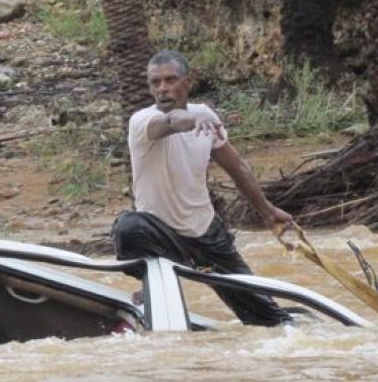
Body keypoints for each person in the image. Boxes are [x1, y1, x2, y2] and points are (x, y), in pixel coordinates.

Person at [112, 49, 293, 326]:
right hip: (160, 235)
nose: (162, 88)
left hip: (206, 232)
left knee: (271, 319)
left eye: (170, 80)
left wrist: (267, 211)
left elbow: (238, 168)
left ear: (188, 82)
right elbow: (171, 121)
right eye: (155, 82)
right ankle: (152, 286)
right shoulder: (143, 121)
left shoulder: (205, 115)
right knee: (128, 228)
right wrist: (193, 121)